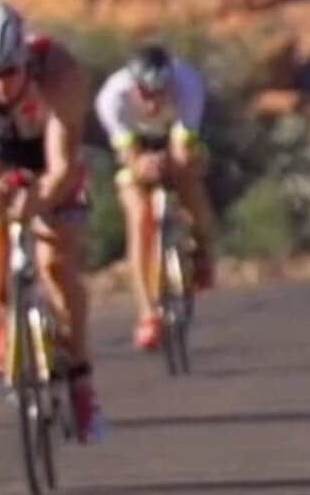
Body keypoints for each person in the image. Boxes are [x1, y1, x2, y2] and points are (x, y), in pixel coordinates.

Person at [0, 0, 105, 442]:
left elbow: (63, 165)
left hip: (50, 158)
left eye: (9, 72)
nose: (0, 86)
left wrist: (37, 200)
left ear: (26, 57)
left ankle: (81, 379)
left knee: (55, 263)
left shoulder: (60, 71)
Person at [93, 43, 219, 349]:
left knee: (190, 179)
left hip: (175, 139)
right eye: (145, 95)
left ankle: (205, 251)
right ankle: (147, 314)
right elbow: (127, 153)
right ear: (133, 86)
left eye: (159, 93)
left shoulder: (187, 84)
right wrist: (140, 165)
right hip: (136, 147)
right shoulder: (112, 98)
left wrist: (175, 164)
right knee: (139, 218)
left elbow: (182, 147)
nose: (152, 102)